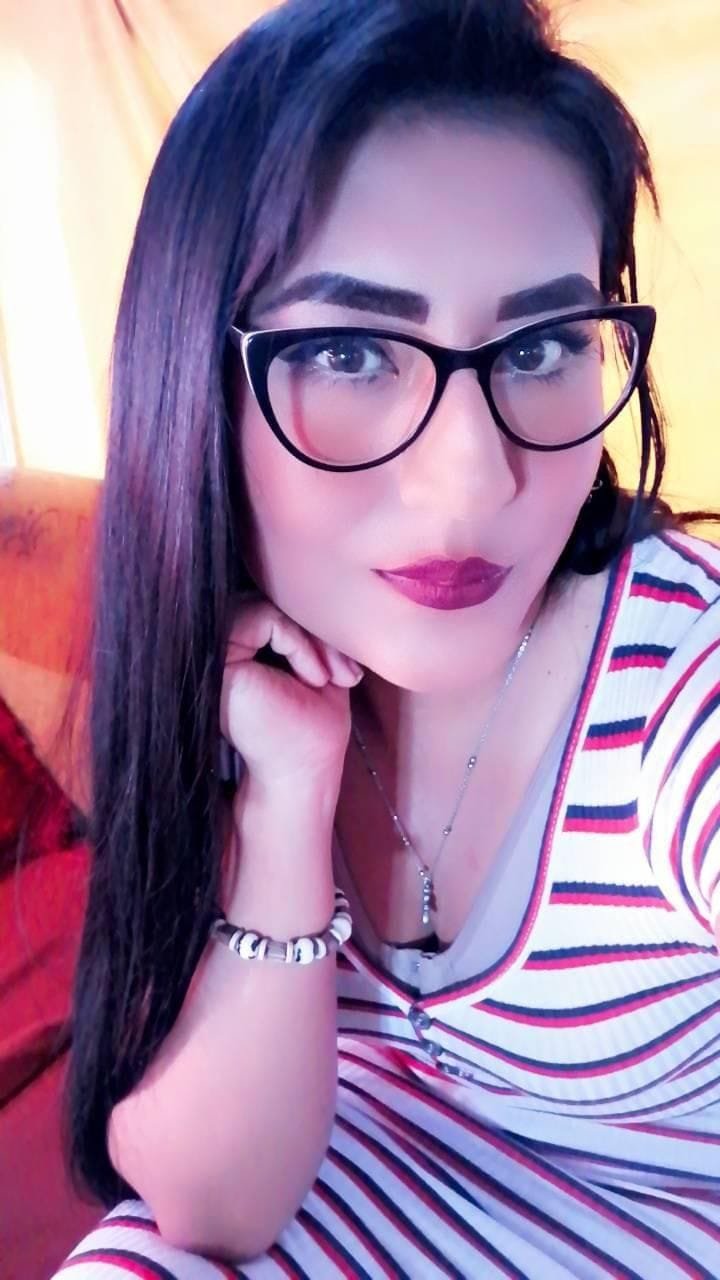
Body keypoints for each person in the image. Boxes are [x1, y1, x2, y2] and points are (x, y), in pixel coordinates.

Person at [52, 0, 720, 1275]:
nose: (474, 478)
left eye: (543, 343)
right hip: (368, 1179)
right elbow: (214, 1204)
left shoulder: (679, 682)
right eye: (352, 351)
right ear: (194, 382)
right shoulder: (228, 670)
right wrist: (285, 804)